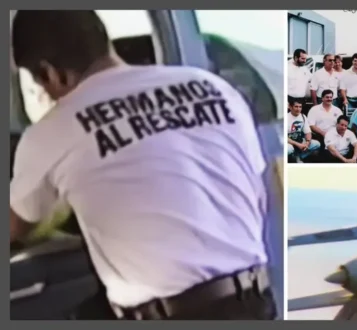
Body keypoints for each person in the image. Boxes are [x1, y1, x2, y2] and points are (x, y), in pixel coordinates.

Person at [10, 10, 277, 319]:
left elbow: (16, 226)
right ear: (103, 42)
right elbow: (258, 191)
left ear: (50, 73)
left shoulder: (53, 130)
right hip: (254, 299)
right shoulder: (213, 87)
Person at [287, 48, 314, 115]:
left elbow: (313, 78)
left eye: (305, 59)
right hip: (290, 101)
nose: (305, 61)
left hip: (302, 101)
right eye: (302, 59)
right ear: (296, 58)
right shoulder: (287, 68)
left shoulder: (304, 69)